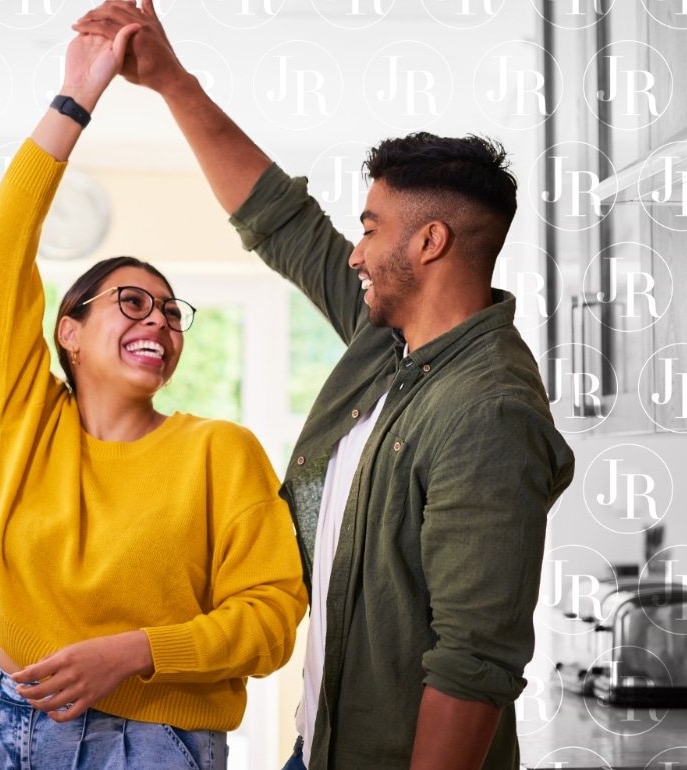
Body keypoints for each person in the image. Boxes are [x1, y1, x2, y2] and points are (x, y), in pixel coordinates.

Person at [73, 4, 578, 769]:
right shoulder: (392, 345)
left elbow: (473, 665)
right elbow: (283, 223)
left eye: (370, 228)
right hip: (322, 747)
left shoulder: (487, 411)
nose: (354, 252)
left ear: (429, 242)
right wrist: (172, 84)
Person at [0, 25, 308, 770]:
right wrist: (78, 93)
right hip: (10, 725)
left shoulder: (219, 451)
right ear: (70, 332)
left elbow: (272, 620)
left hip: (153, 746)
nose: (158, 318)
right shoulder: (24, 422)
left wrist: (135, 653)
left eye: (170, 311)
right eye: (130, 301)